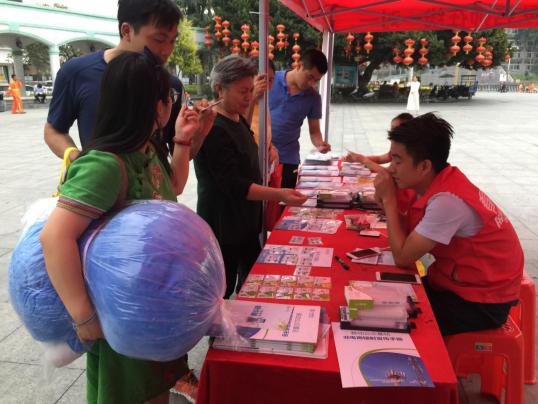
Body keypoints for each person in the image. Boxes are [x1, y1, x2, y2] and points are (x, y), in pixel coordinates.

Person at [40, 51, 200, 404]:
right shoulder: (105, 165)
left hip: (152, 310)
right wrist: (84, 318)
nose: (173, 104)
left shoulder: (146, 151)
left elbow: (172, 186)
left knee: (154, 392)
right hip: (122, 316)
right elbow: (54, 237)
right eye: (170, 97)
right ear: (156, 106)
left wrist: (183, 140)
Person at [372, 113, 523, 336]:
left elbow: (403, 257)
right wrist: (387, 202)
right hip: (453, 283)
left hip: (480, 300)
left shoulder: (447, 201)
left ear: (424, 166)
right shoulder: (432, 183)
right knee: (379, 294)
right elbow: (406, 234)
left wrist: (389, 201)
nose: (390, 168)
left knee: (389, 320)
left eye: (397, 160)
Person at [194, 55, 308, 299]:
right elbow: (235, 185)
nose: (249, 97)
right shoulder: (214, 128)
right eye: (243, 91)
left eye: (250, 89)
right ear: (219, 88)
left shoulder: (237, 118)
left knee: (252, 281)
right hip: (224, 225)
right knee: (221, 288)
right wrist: (280, 194)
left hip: (244, 222)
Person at [45, 0, 215, 162]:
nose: (167, 50)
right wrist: (77, 160)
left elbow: (179, 153)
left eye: (172, 41)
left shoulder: (170, 86)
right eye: (159, 39)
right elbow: (53, 130)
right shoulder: (77, 72)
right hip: (102, 181)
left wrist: (199, 132)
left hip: (155, 182)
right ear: (126, 31)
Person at [269, 49, 331, 189]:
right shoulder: (271, 80)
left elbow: (314, 131)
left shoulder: (314, 98)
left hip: (288, 158)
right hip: (262, 153)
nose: (311, 83)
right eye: (309, 77)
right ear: (298, 65)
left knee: (286, 199)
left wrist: (320, 144)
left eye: (316, 80)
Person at [343, 112, 413, 166]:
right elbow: (380, 159)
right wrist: (357, 159)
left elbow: (390, 172)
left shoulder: (409, 151)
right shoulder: (397, 145)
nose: (391, 132)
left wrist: (363, 160)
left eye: (396, 129)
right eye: (391, 128)